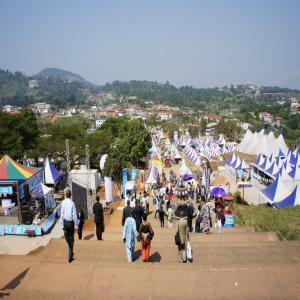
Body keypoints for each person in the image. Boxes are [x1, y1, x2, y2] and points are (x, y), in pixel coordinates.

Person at [60, 189, 78, 263]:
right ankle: (70, 252)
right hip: (70, 223)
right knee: (71, 238)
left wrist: (62, 225)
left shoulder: (63, 203)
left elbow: (61, 214)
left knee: (66, 237)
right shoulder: (72, 203)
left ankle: (70, 254)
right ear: (70, 195)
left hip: (65, 222)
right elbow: (74, 215)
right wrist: (76, 224)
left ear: (65, 195)